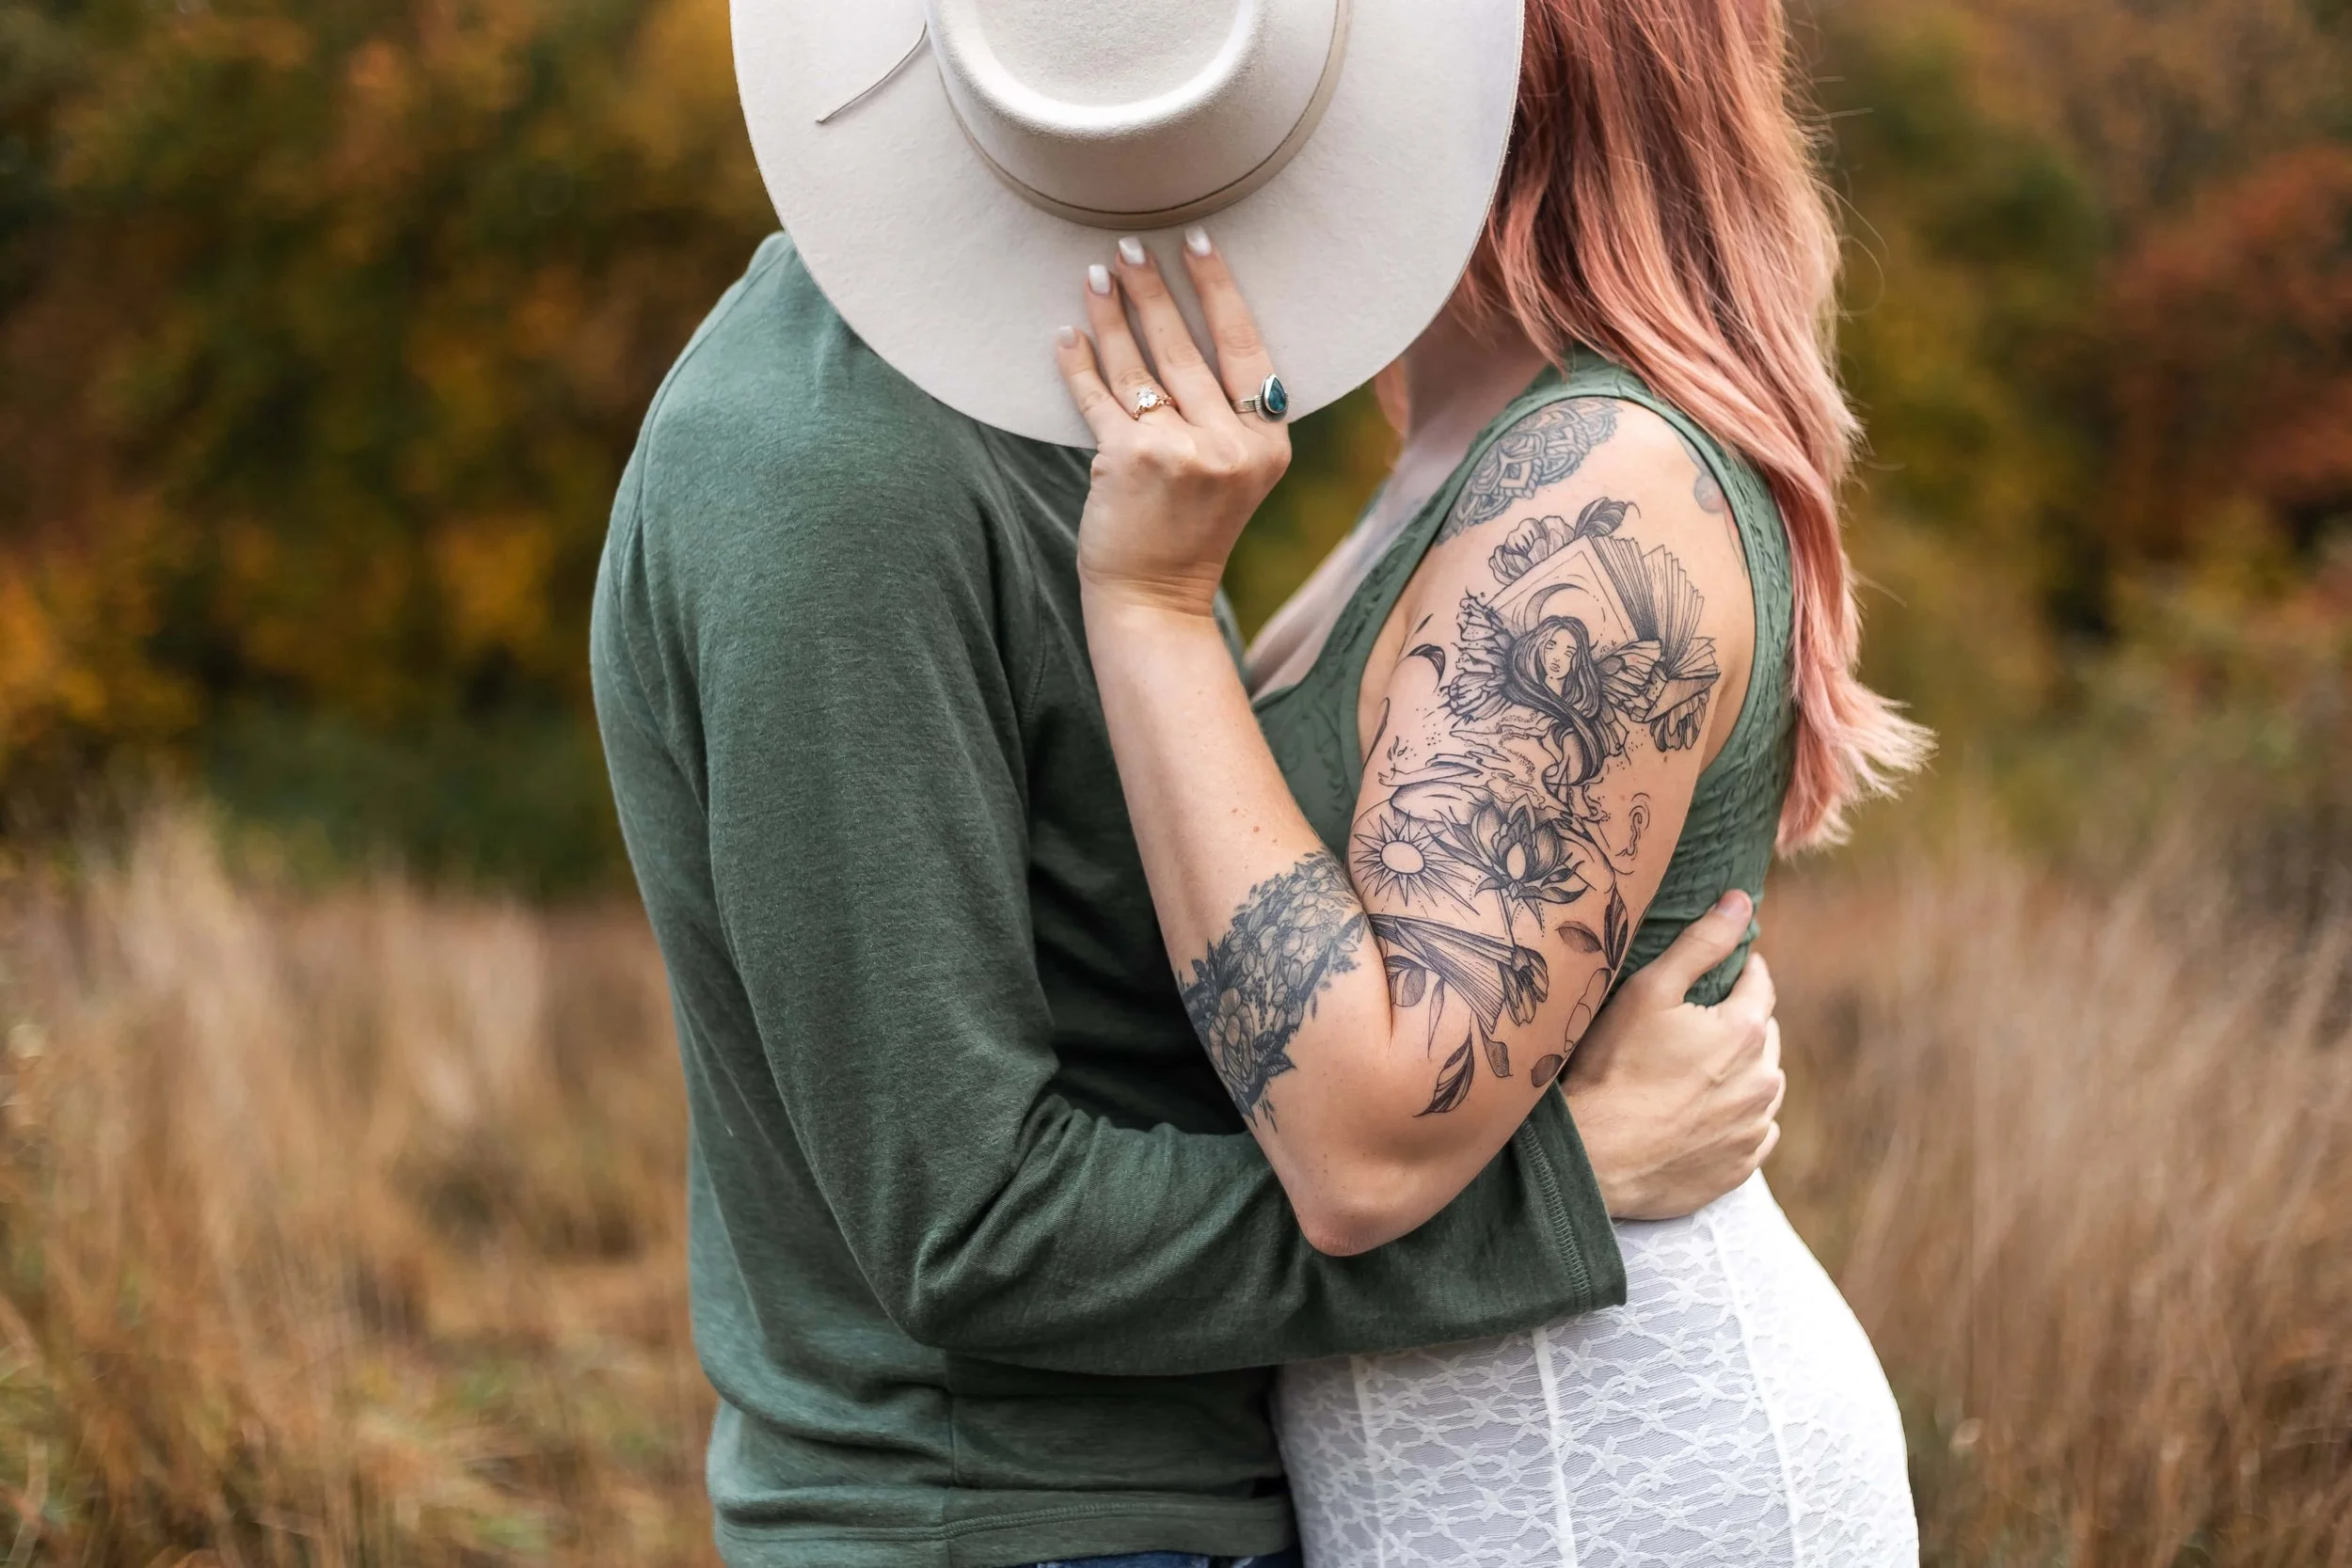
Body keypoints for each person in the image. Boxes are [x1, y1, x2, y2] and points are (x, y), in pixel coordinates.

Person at [592, 2, 1829, 1564]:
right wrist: (1561, 1186)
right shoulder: (849, 470)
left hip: (1564, 1469)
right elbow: (966, 1217)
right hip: (1021, 1519)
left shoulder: (1128, 418)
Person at [1043, 0, 1933, 1560]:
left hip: (1618, 1468)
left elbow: (1365, 1142)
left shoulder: (1600, 477)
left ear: (1527, 64)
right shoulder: (1453, 450)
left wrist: (1155, 608)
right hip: (1478, 1476)